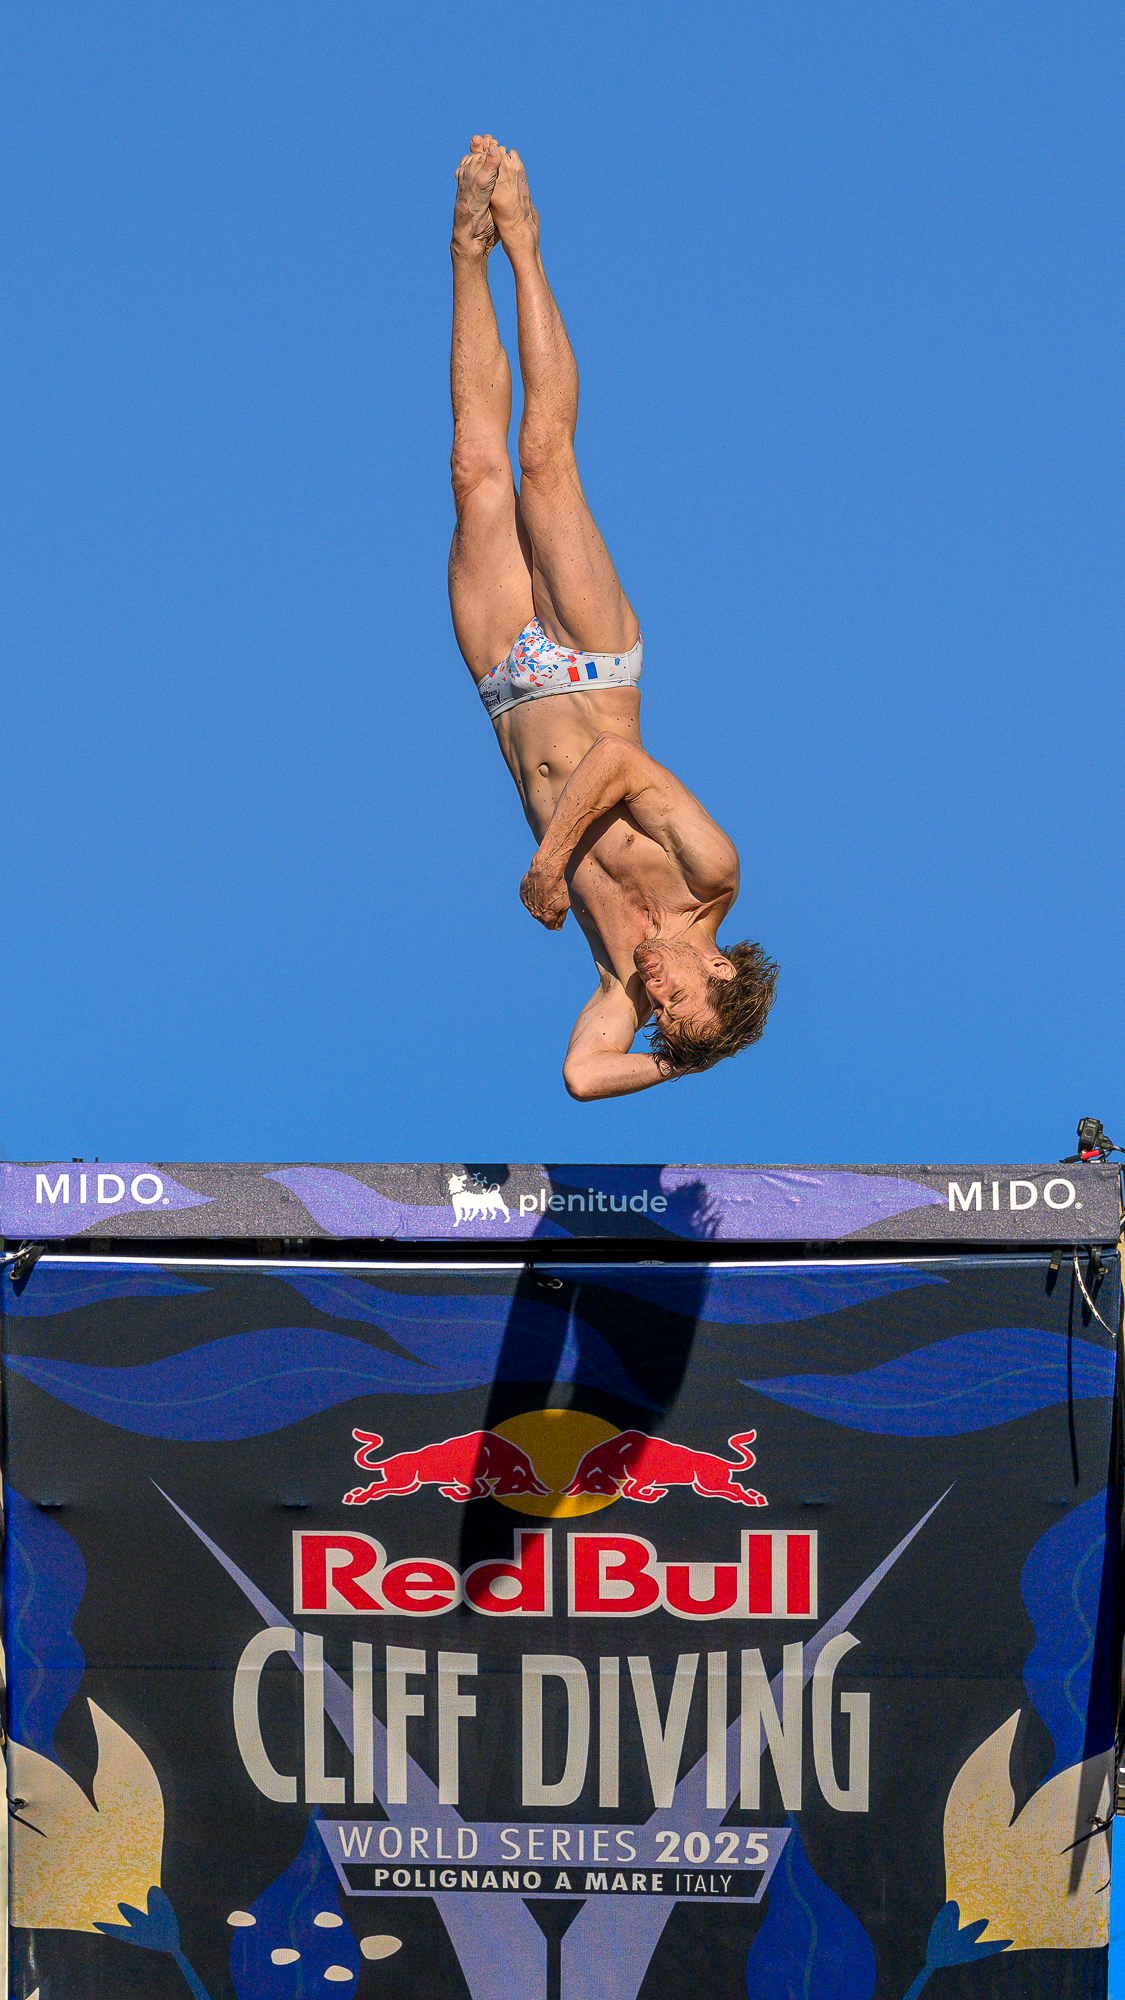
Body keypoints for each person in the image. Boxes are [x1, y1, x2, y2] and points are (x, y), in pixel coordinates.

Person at [448, 135, 777, 1100]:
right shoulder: (712, 875)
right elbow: (620, 766)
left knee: (475, 473)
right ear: (718, 967)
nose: (657, 1000)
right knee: (544, 461)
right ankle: (522, 242)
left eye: (662, 1020)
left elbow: (582, 1079)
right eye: (679, 1005)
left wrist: (677, 1057)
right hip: (592, 671)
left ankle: (466, 253)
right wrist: (550, 866)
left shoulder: (619, 987)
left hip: (508, 684)